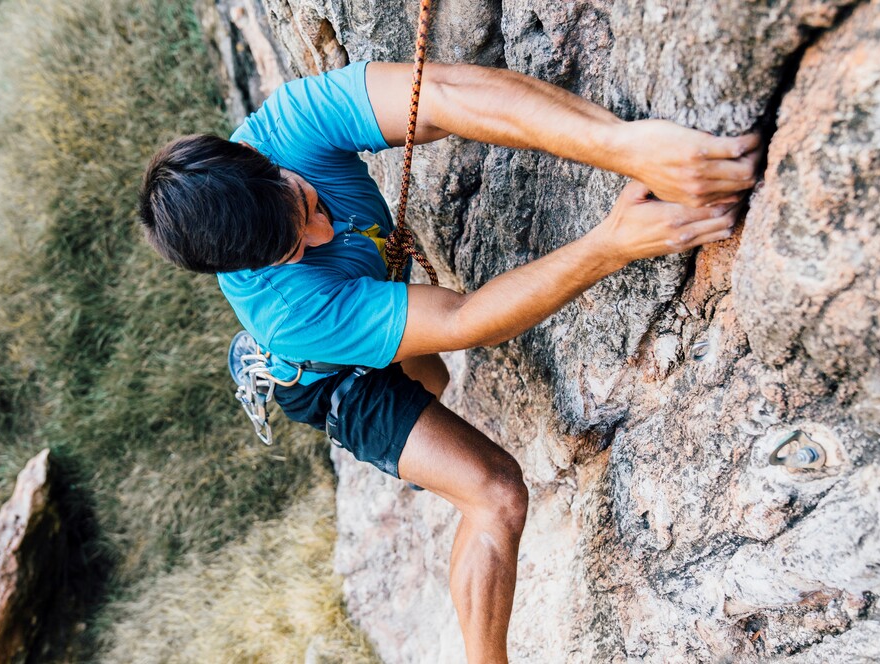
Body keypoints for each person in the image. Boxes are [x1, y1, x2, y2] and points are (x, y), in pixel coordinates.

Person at [138, 61, 759, 663]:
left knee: (432, 379)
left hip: (360, 309)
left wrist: (624, 147)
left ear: (266, 163)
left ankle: (409, 411)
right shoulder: (290, 310)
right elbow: (466, 320)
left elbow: (439, 95)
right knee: (494, 493)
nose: (322, 236)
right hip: (329, 382)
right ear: (247, 267)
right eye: (294, 250)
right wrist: (612, 243)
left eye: (307, 205)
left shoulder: (287, 126)